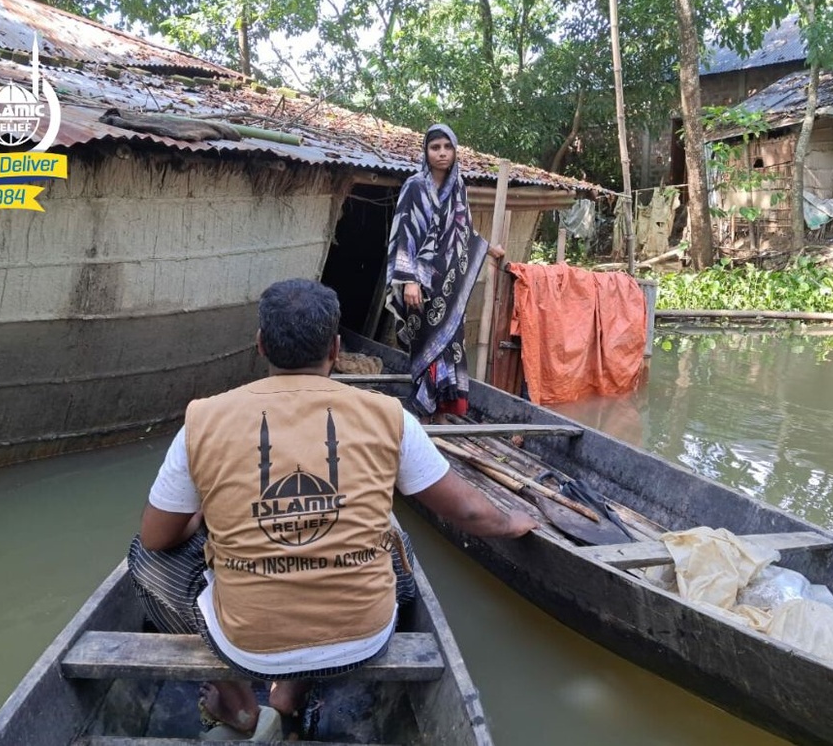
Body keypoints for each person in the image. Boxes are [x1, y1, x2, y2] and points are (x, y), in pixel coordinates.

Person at [128, 278, 537, 740]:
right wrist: (513, 521)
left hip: (248, 646)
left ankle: (239, 700)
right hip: (362, 640)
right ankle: (292, 694)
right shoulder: (388, 415)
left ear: (261, 345)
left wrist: (203, 521)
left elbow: (156, 538)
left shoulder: (203, 419)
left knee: (142, 559)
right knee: (393, 539)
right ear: (337, 349)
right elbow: (470, 513)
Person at [385, 123, 505, 423]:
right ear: (425, 152)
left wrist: (488, 249)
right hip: (420, 285)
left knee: (450, 344)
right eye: (434, 147)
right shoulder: (414, 186)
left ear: (455, 151)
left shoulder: (459, 189)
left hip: (450, 284)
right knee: (425, 343)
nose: (441, 153)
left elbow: (464, 231)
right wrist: (409, 280)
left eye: (447, 147)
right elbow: (403, 234)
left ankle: (441, 412)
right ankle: (423, 413)